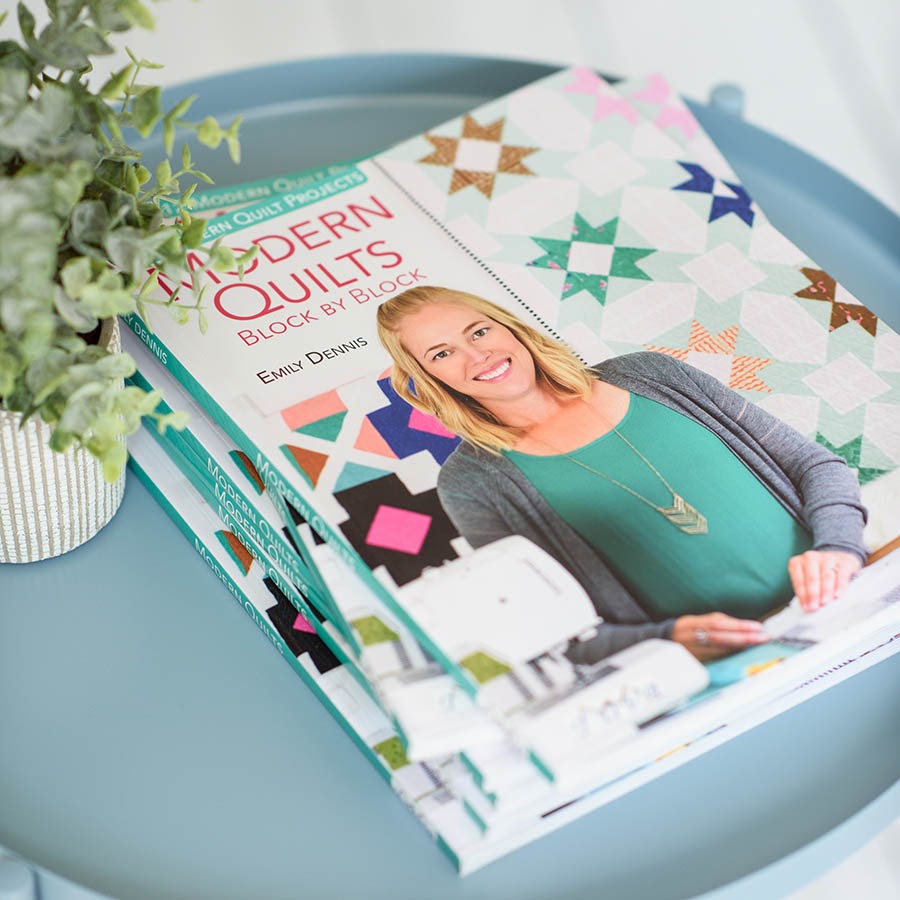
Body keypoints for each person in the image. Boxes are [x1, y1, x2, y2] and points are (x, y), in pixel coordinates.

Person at [375, 285, 868, 664]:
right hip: (739, 664)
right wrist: (667, 640)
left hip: (853, 595)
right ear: (426, 377)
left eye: (478, 331)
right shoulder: (472, 480)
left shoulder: (652, 374)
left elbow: (814, 465)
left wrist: (839, 548)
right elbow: (558, 627)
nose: (476, 354)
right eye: (441, 353)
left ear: (510, 327)